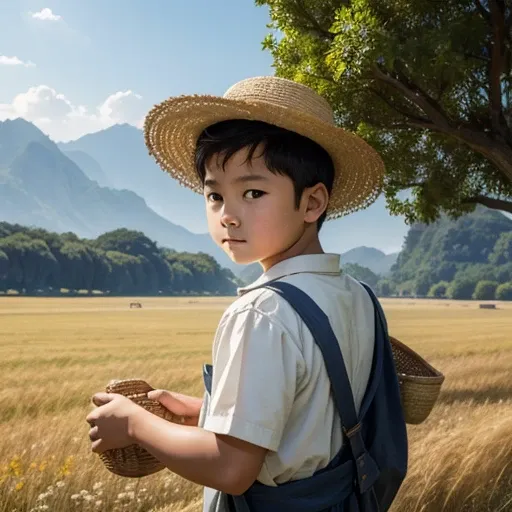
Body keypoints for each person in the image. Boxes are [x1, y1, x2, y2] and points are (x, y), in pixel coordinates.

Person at [86, 76, 407, 512]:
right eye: (215, 195)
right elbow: (314, 416)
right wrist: (208, 411)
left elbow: (232, 469)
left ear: (313, 203)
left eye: (253, 192)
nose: (228, 216)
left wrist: (134, 422)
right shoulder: (358, 296)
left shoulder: (262, 311)